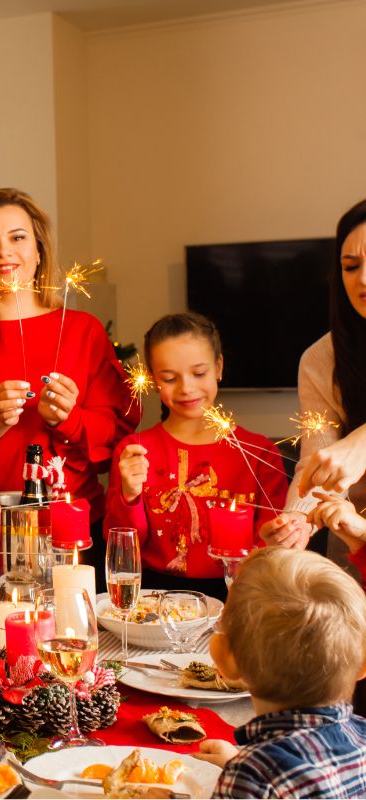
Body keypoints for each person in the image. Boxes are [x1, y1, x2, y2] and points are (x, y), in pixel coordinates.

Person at [0, 188, 136, 573]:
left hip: (75, 534)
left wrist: (69, 419)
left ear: (38, 250)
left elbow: (117, 439)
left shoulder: (83, 331)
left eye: (17, 238)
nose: (3, 252)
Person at [105, 313, 296, 597]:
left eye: (199, 373)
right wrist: (129, 495)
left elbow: (274, 543)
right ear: (154, 379)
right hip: (155, 599)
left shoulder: (259, 453)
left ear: (219, 366)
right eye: (170, 378)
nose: (187, 388)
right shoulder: (135, 451)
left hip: (241, 594)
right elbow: (120, 546)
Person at [193, 547, 366, 798]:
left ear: (225, 658)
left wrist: (247, 769)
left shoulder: (254, 778)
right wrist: (242, 760)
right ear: (362, 665)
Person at [287, 200, 366, 550]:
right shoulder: (321, 360)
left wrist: (360, 442)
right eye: (351, 267)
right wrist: (295, 522)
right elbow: (316, 463)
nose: (363, 278)